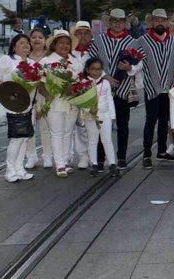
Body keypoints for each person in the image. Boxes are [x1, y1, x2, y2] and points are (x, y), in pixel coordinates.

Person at [89, 9, 143, 169]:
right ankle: (100, 157)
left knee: (123, 124)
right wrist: (104, 75)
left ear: (125, 23)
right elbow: (90, 60)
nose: (117, 24)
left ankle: (121, 157)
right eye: (114, 21)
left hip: (123, 88)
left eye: (120, 21)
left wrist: (129, 68)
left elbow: (140, 64)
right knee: (101, 124)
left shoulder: (132, 41)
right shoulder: (99, 40)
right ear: (109, 23)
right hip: (102, 89)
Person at [137, 8, 174, 169]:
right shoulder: (142, 41)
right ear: (152, 22)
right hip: (152, 88)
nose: (160, 23)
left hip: (169, 88)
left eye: (163, 20)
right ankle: (147, 153)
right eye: (157, 20)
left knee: (165, 121)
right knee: (151, 121)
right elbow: (135, 62)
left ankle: (162, 150)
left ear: (166, 23)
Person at [0, 34, 36, 182]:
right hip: (12, 104)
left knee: (23, 138)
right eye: (22, 43)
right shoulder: (7, 60)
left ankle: (19, 169)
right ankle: (10, 170)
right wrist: (0, 84)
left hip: (27, 105)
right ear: (14, 46)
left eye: (27, 43)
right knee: (16, 138)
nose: (26, 45)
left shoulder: (33, 63)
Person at [42, 29, 83, 177]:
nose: (64, 46)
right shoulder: (46, 61)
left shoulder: (75, 61)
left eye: (67, 43)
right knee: (57, 133)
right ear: (54, 45)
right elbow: (40, 82)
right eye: (61, 43)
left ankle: (65, 161)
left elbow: (81, 81)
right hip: (55, 102)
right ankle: (59, 164)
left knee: (68, 132)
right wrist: (47, 95)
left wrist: (76, 91)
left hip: (72, 102)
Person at [83, 58, 118, 177]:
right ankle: (94, 164)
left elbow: (109, 99)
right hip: (90, 116)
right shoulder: (83, 83)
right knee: (93, 140)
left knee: (107, 140)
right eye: (93, 69)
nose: (96, 72)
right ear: (87, 70)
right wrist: (88, 110)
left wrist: (112, 116)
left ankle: (112, 163)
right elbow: (81, 101)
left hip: (105, 115)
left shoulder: (106, 83)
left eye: (99, 69)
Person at [24, 28, 53, 169]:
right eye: (33, 37)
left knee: (45, 126)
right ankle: (31, 156)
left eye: (40, 37)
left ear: (45, 40)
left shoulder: (51, 57)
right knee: (29, 126)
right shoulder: (24, 57)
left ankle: (47, 156)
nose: (36, 40)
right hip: (28, 96)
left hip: (45, 95)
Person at [70, 21, 94, 170]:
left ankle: (93, 155)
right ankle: (83, 156)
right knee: (78, 125)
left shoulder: (94, 50)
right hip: (72, 93)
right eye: (79, 33)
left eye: (86, 33)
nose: (83, 36)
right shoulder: (69, 52)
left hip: (90, 92)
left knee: (90, 125)